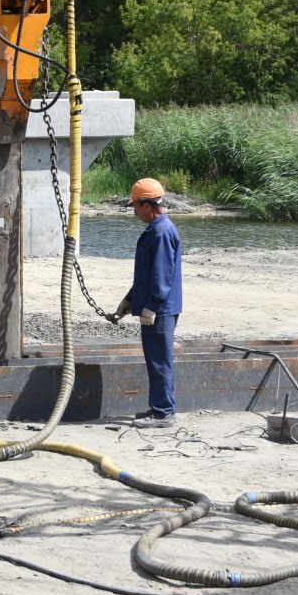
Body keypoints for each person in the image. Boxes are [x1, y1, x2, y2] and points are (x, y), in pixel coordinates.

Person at [111, 178, 183, 429]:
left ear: (147, 204)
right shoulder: (156, 229)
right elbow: (146, 274)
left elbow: (162, 275)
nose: (134, 211)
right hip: (157, 306)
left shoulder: (161, 232)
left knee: (160, 360)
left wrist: (152, 305)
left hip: (161, 310)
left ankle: (164, 413)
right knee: (155, 359)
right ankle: (158, 408)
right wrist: (130, 300)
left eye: (135, 206)